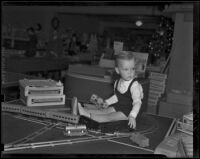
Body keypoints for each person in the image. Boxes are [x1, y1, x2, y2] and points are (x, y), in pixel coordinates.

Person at [78, 51, 144, 129]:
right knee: (104, 111)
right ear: (118, 70)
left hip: (129, 112)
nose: (130, 72)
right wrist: (107, 102)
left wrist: (132, 116)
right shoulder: (117, 82)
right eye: (126, 69)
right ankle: (85, 110)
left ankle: (88, 116)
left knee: (109, 116)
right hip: (119, 107)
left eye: (132, 69)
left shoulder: (134, 85)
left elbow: (137, 102)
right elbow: (117, 97)